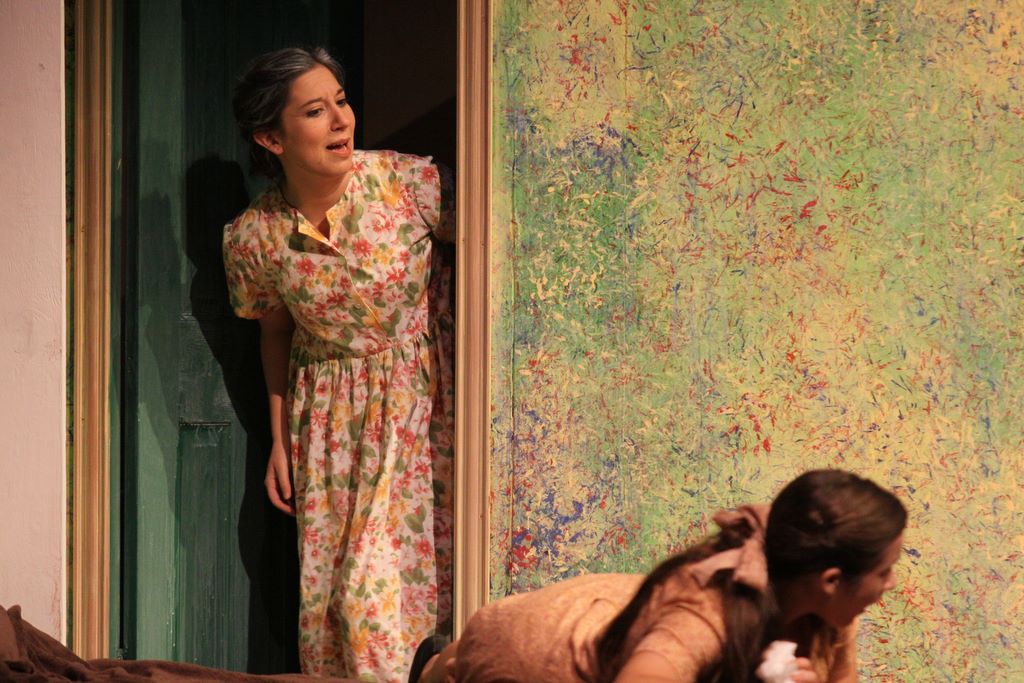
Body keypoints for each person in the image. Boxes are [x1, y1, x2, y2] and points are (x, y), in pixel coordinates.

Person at [223, 46, 454, 683]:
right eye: (315, 111)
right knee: (337, 618)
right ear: (271, 138)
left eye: (341, 102)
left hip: (420, 405)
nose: (341, 120)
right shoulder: (255, 236)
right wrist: (279, 440)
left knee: (378, 603)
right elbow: (274, 333)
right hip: (329, 426)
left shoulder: (407, 184)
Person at [415, 469, 907, 683]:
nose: (891, 585)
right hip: (531, 650)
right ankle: (436, 663)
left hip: (616, 616)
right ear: (831, 579)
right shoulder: (704, 621)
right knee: (454, 665)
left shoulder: (830, 612)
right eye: (884, 572)